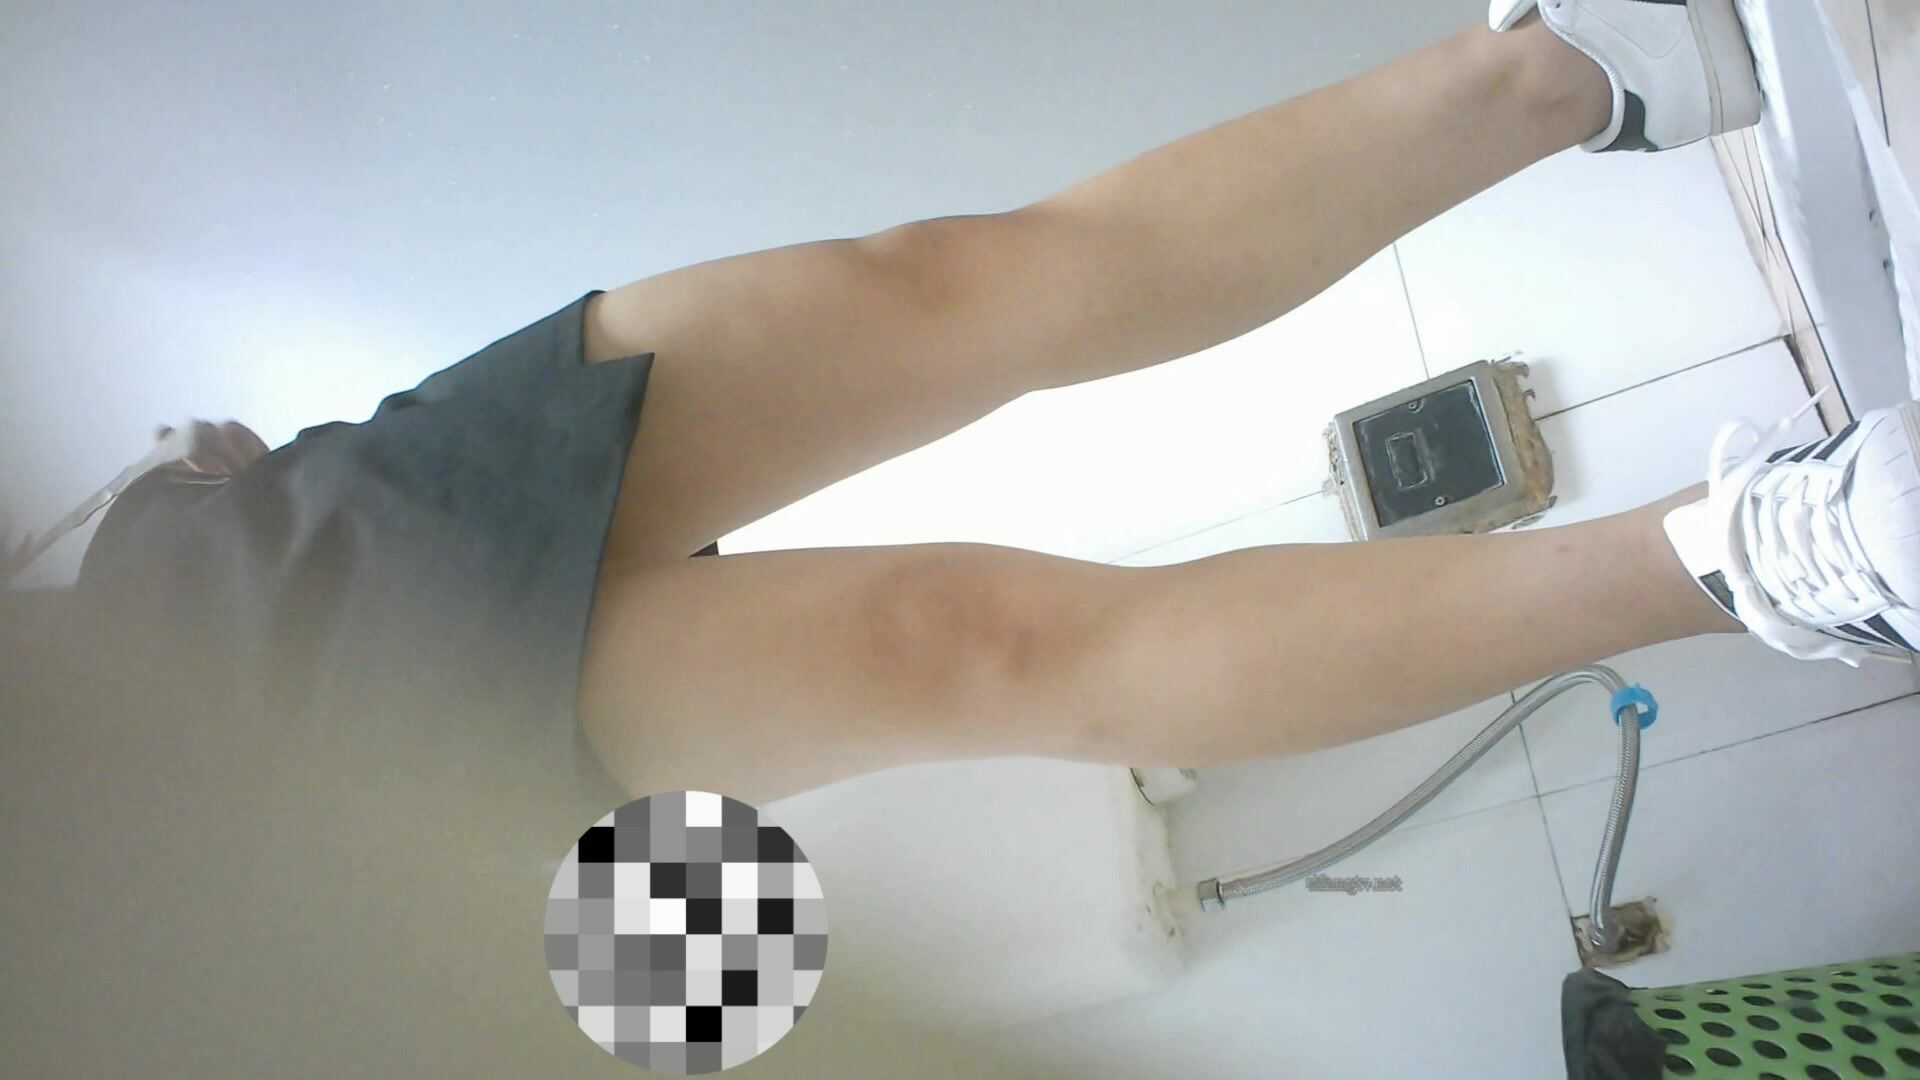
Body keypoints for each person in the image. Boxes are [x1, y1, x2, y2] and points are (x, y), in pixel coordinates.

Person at [3, 0, 1917, 1068]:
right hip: (267, 829)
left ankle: (1594, 62)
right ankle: (1772, 556)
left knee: (940, 285)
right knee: (987, 652)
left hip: (200, 593)